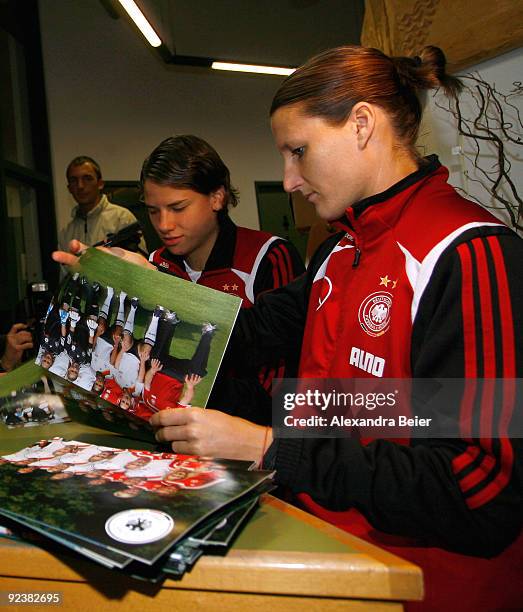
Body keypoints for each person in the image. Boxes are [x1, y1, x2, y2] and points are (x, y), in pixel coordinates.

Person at [144, 46, 521, 611]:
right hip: (336, 555)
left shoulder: (468, 253)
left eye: (299, 152)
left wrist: (271, 447)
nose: (289, 180)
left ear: (363, 124)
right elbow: (245, 336)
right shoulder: (343, 248)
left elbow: (479, 487)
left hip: (427, 588)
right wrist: (140, 289)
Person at [59, 155, 146, 252]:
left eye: (87, 178)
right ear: (69, 188)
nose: (80, 186)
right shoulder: (66, 233)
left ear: (100, 184)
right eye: (74, 180)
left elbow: (141, 262)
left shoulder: (122, 218)